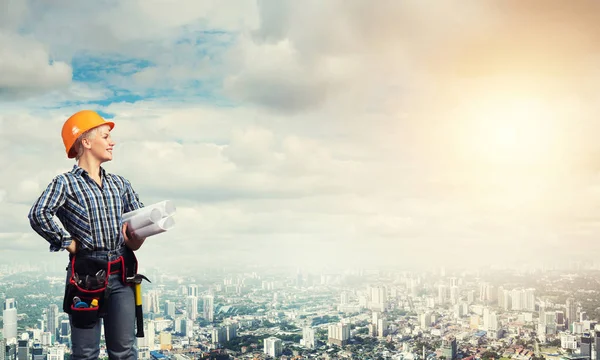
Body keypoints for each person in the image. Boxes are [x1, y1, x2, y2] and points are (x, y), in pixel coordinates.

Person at [28, 110, 146, 360]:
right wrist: (67, 242)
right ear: (86, 141)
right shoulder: (65, 183)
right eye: (106, 136)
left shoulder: (120, 184)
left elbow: (138, 222)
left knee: (125, 352)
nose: (112, 142)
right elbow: (39, 214)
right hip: (85, 278)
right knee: (85, 353)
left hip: (122, 276)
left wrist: (139, 236)